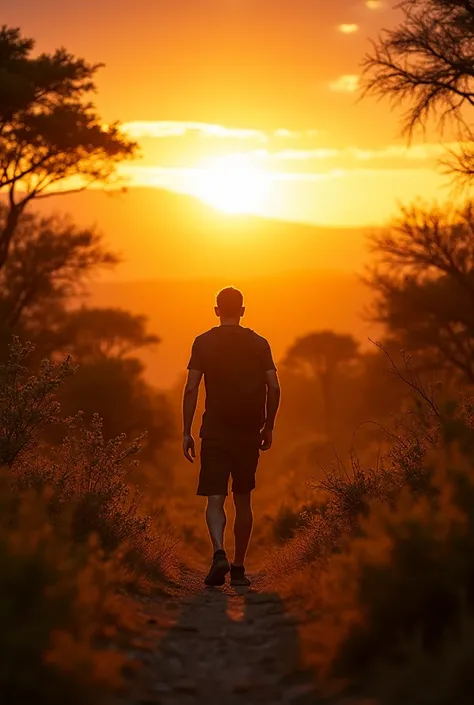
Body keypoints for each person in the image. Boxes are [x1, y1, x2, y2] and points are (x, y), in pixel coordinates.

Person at [182, 287, 281, 587]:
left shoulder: (203, 342)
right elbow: (274, 387)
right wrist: (269, 426)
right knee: (243, 499)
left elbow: (191, 388)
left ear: (216, 310)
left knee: (215, 498)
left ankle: (218, 553)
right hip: (249, 431)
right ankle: (238, 568)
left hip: (214, 431)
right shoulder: (259, 343)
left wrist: (186, 431)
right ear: (242, 310)